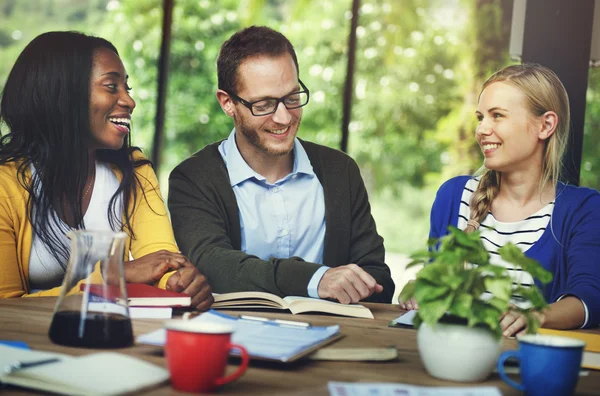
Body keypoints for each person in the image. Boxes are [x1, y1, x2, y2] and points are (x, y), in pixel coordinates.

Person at [168, 26, 394, 304]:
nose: (284, 118)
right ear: (227, 103)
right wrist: (316, 279)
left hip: (334, 336)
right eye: (264, 104)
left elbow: (377, 276)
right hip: (235, 336)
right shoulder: (193, 178)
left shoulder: (340, 171)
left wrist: (358, 284)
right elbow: (213, 265)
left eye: (292, 98)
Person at [0, 31, 213, 310]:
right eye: (111, 86)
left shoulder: (134, 171)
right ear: (62, 94)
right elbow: (4, 308)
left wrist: (179, 282)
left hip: (110, 334)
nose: (129, 101)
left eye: (127, 88)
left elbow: (160, 259)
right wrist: (111, 276)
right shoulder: (6, 185)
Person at [403, 64, 600, 334]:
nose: (482, 130)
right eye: (480, 117)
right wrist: (419, 292)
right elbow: (433, 280)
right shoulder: (453, 196)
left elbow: (588, 299)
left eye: (497, 116)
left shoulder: (583, 209)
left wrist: (533, 316)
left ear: (545, 125)